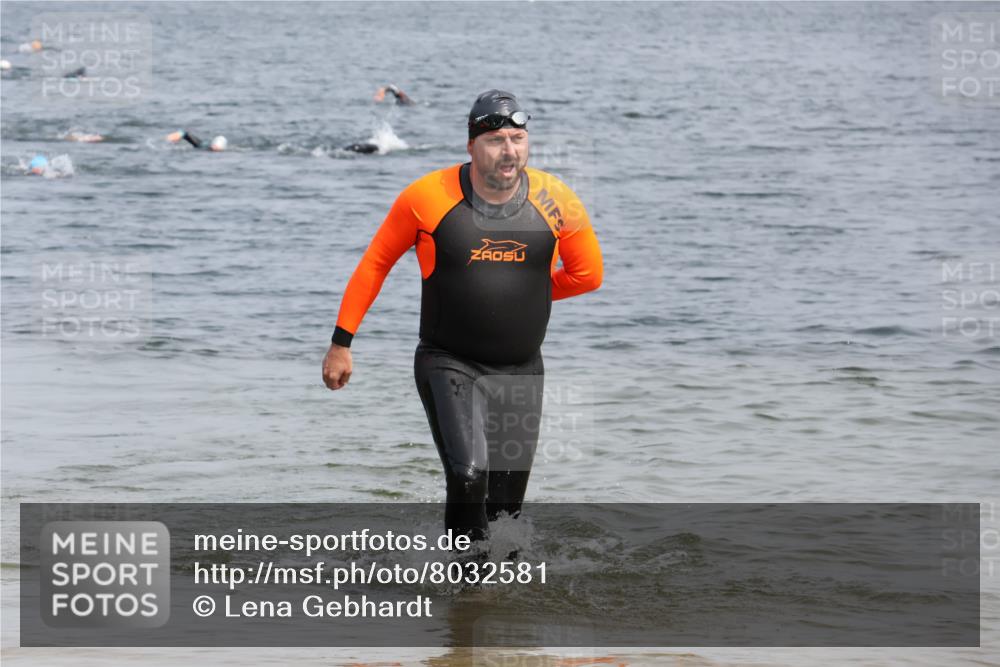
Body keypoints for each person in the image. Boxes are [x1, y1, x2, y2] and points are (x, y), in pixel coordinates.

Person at [322, 90, 603, 546]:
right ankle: (464, 579)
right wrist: (342, 342)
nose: (509, 151)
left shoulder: (557, 200)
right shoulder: (427, 198)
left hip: (521, 369)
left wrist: (523, 293)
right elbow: (375, 264)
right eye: (495, 140)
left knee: (506, 510)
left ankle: (496, 582)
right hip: (449, 361)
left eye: (517, 139)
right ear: (471, 145)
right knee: (469, 475)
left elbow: (588, 275)